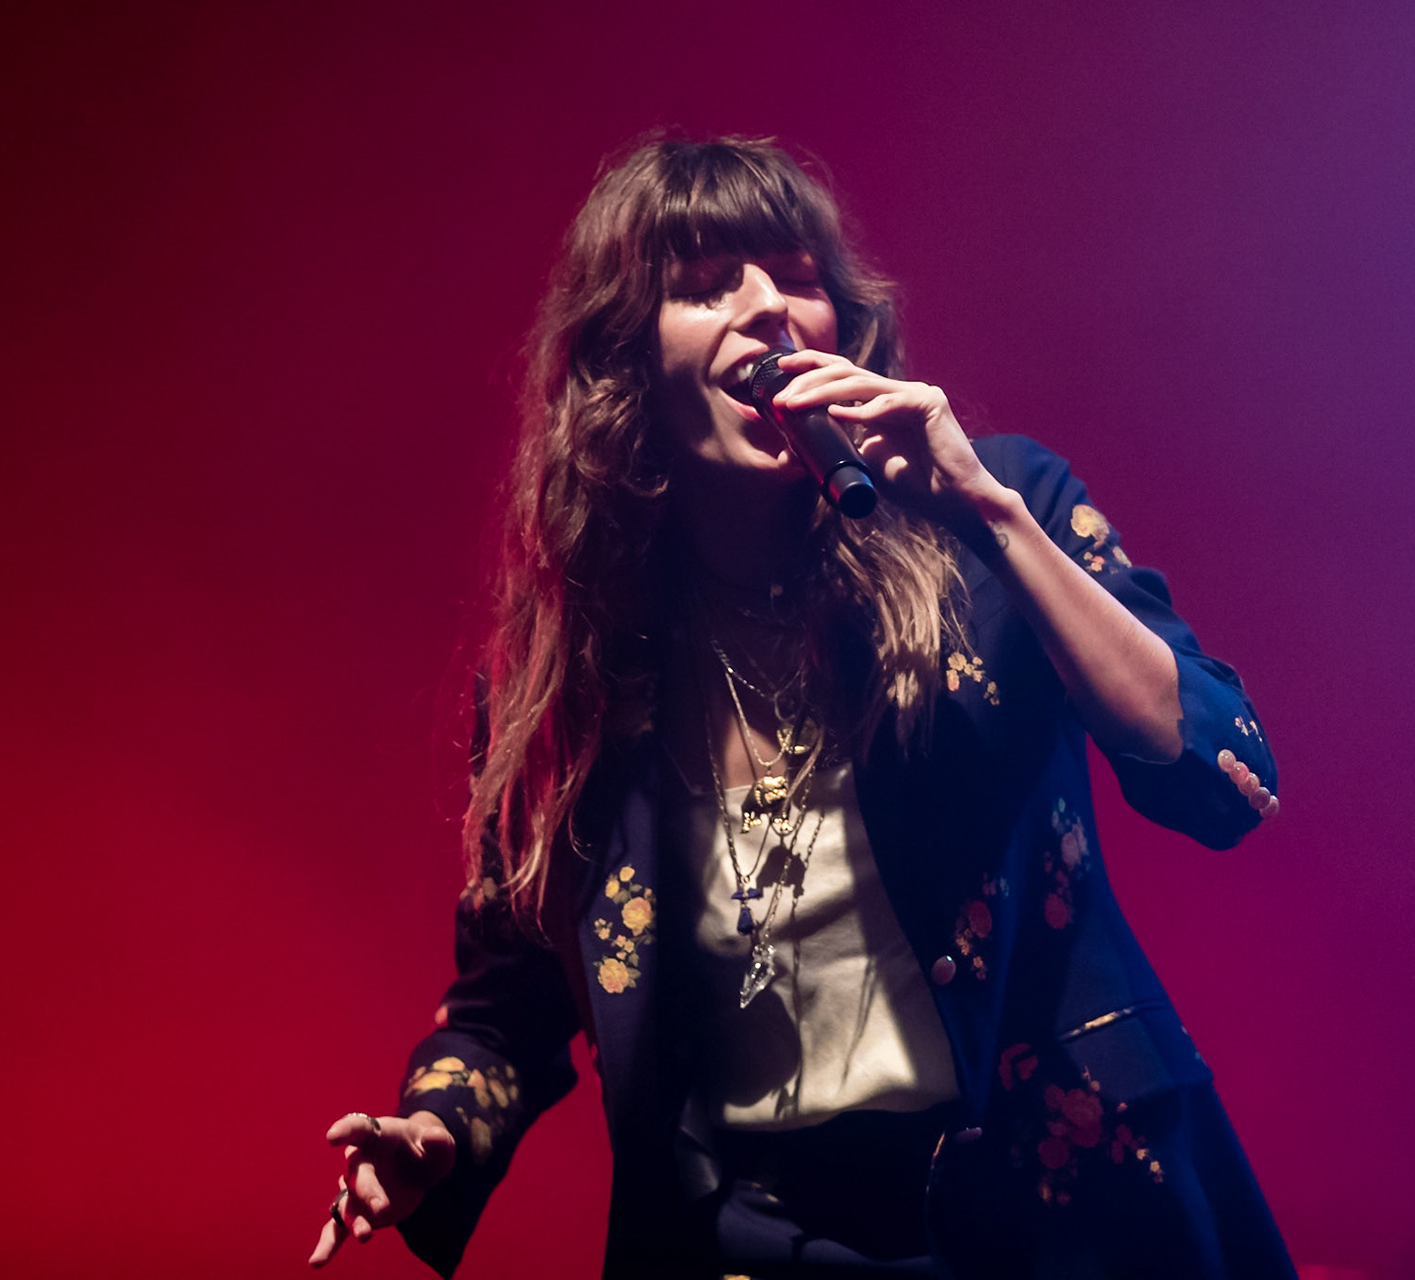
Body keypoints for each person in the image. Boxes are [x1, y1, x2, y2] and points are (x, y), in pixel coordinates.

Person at [307, 134, 1294, 1279]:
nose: (770, 307)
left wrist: (987, 510)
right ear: (626, 363)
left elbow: (1218, 765)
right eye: (708, 282)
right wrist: (435, 1132)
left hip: (1046, 1210)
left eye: (799, 274)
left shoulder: (994, 521)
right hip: (751, 1231)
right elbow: (506, 1000)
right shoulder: (569, 673)